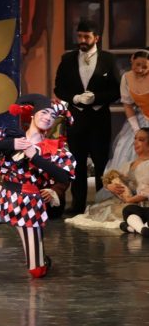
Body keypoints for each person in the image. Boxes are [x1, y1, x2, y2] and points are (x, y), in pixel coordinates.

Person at [0, 94, 75, 280]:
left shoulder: (55, 149)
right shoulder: (11, 135)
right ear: (32, 115)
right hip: (5, 198)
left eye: (52, 115)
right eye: (44, 112)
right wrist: (12, 144)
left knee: (36, 272)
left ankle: (42, 260)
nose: (48, 117)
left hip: (30, 205)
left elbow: (64, 176)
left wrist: (35, 156)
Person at [54, 18, 121, 215]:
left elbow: (117, 90)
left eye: (86, 36)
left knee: (101, 163)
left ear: (96, 38)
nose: (82, 40)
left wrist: (96, 98)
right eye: (80, 36)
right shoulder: (67, 59)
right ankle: (78, 205)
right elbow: (59, 88)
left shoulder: (108, 59)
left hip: (100, 120)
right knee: (77, 164)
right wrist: (74, 98)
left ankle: (102, 204)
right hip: (76, 119)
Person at [66, 128, 149, 229]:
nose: (135, 142)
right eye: (135, 139)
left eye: (141, 140)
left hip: (140, 204)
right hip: (127, 200)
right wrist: (111, 187)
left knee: (123, 212)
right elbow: (113, 179)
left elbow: (146, 192)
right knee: (98, 210)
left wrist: (130, 200)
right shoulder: (129, 164)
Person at [105, 50, 149, 171]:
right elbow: (128, 105)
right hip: (140, 119)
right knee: (126, 146)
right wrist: (137, 130)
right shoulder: (126, 78)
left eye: (145, 67)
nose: (140, 69)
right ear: (132, 61)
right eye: (137, 65)